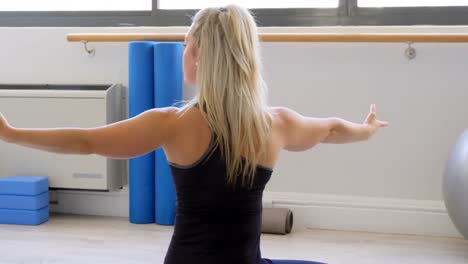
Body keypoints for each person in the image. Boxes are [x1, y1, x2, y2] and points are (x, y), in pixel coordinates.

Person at [0, 5, 388, 264]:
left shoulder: (173, 124)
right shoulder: (276, 124)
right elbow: (333, 129)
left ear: (200, 54)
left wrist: (12, 134)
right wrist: (366, 131)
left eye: (186, 43)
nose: (183, 49)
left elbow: (86, 141)